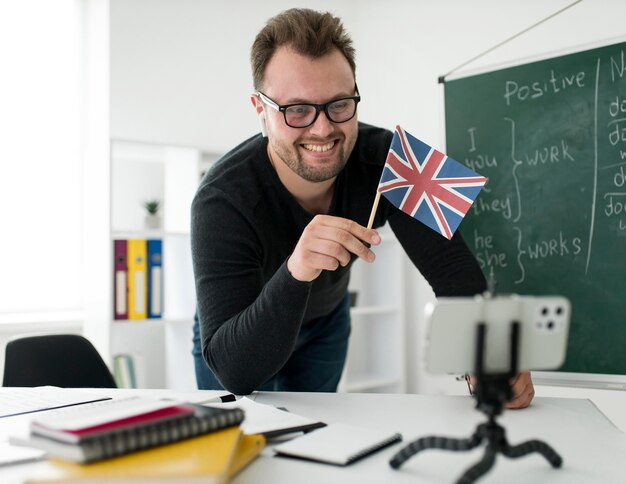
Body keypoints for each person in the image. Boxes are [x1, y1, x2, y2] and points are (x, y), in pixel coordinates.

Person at [191, 8, 534, 408]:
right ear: (259, 110)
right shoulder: (220, 200)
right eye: (297, 110)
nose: (322, 129)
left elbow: (453, 272)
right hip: (235, 333)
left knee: (311, 444)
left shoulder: (393, 158)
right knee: (236, 444)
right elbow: (237, 371)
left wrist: (490, 361)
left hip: (326, 323)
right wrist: (297, 268)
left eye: (339, 104)